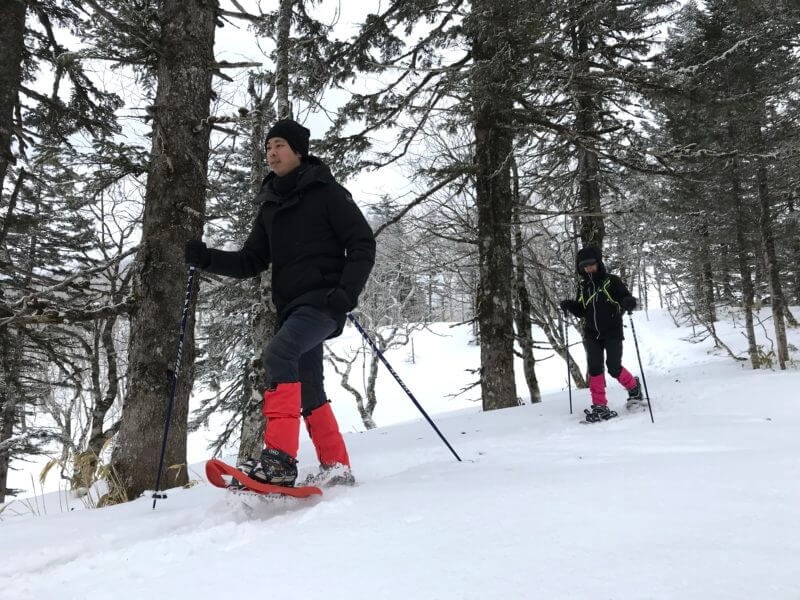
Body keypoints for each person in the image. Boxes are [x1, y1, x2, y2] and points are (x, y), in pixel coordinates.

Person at [185, 119, 376, 486]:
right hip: (292, 307)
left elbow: (363, 244)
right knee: (311, 387)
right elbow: (251, 261)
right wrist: (205, 258)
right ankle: (336, 466)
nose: (271, 153)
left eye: (279, 146)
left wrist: (346, 293)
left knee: (278, 354)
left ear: (299, 151)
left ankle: (280, 462)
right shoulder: (271, 203)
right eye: (268, 147)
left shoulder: (328, 193)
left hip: (324, 302)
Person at [559, 246, 645, 422]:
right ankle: (600, 406)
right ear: (580, 268)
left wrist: (628, 302)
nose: (588, 268)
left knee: (613, 367)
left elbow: (625, 297)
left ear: (598, 263)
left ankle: (634, 387)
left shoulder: (611, 281)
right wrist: (570, 305)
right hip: (592, 333)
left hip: (612, 330)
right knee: (595, 368)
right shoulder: (584, 287)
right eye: (584, 266)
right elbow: (582, 310)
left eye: (591, 264)